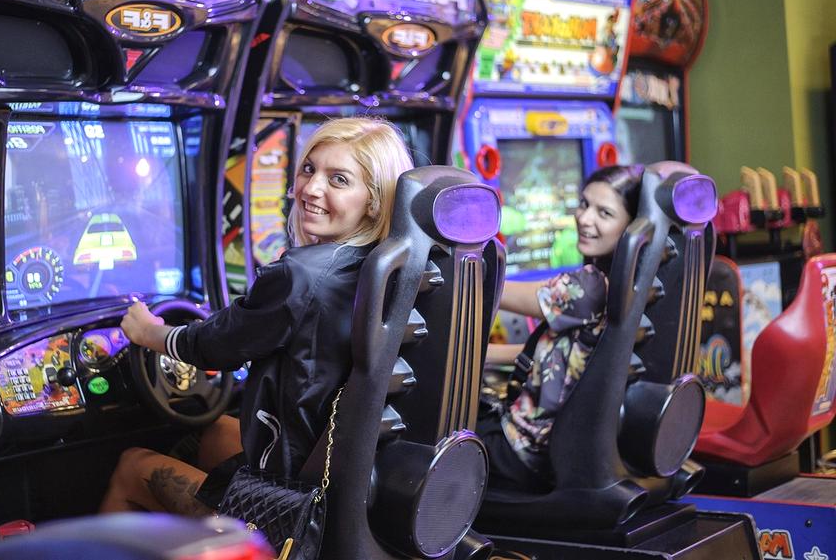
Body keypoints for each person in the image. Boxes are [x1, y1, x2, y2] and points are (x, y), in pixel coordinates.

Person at [100, 117, 414, 515]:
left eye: (338, 180)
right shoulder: (390, 268)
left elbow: (215, 346)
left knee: (132, 466)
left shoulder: (302, 274)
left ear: (374, 199)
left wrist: (150, 333)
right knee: (215, 432)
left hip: (298, 510)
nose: (311, 188)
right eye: (308, 169)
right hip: (351, 484)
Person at [479, 164, 643, 492]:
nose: (584, 219)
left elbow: (493, 289)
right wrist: (478, 355)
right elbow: (556, 356)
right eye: (584, 204)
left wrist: (451, 268)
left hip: (523, 450)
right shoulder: (634, 284)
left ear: (631, 228)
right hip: (552, 448)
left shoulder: (591, 289)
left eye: (604, 213)